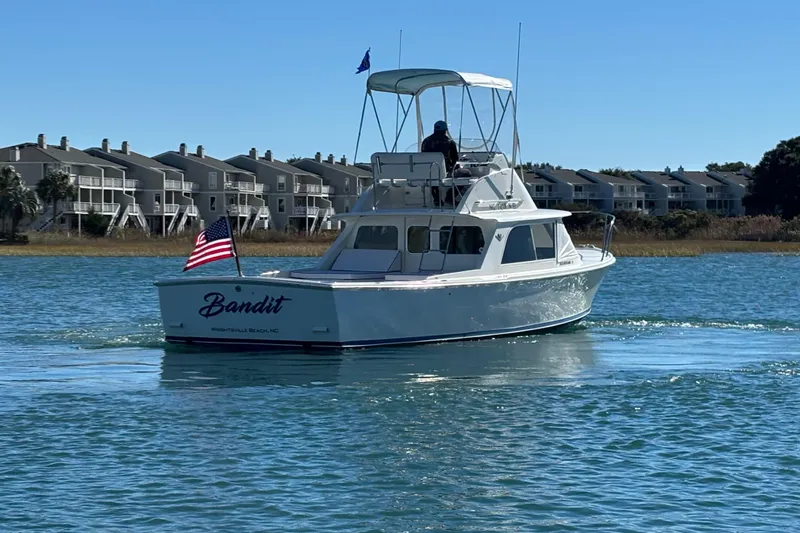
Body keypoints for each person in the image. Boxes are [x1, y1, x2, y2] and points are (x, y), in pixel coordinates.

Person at [421, 121, 470, 206]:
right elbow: (455, 161)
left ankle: (436, 197)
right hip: (444, 172)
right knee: (466, 173)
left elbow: (423, 157)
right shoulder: (449, 142)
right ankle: (450, 197)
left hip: (428, 173)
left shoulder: (425, 142)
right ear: (445, 130)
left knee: (434, 174)